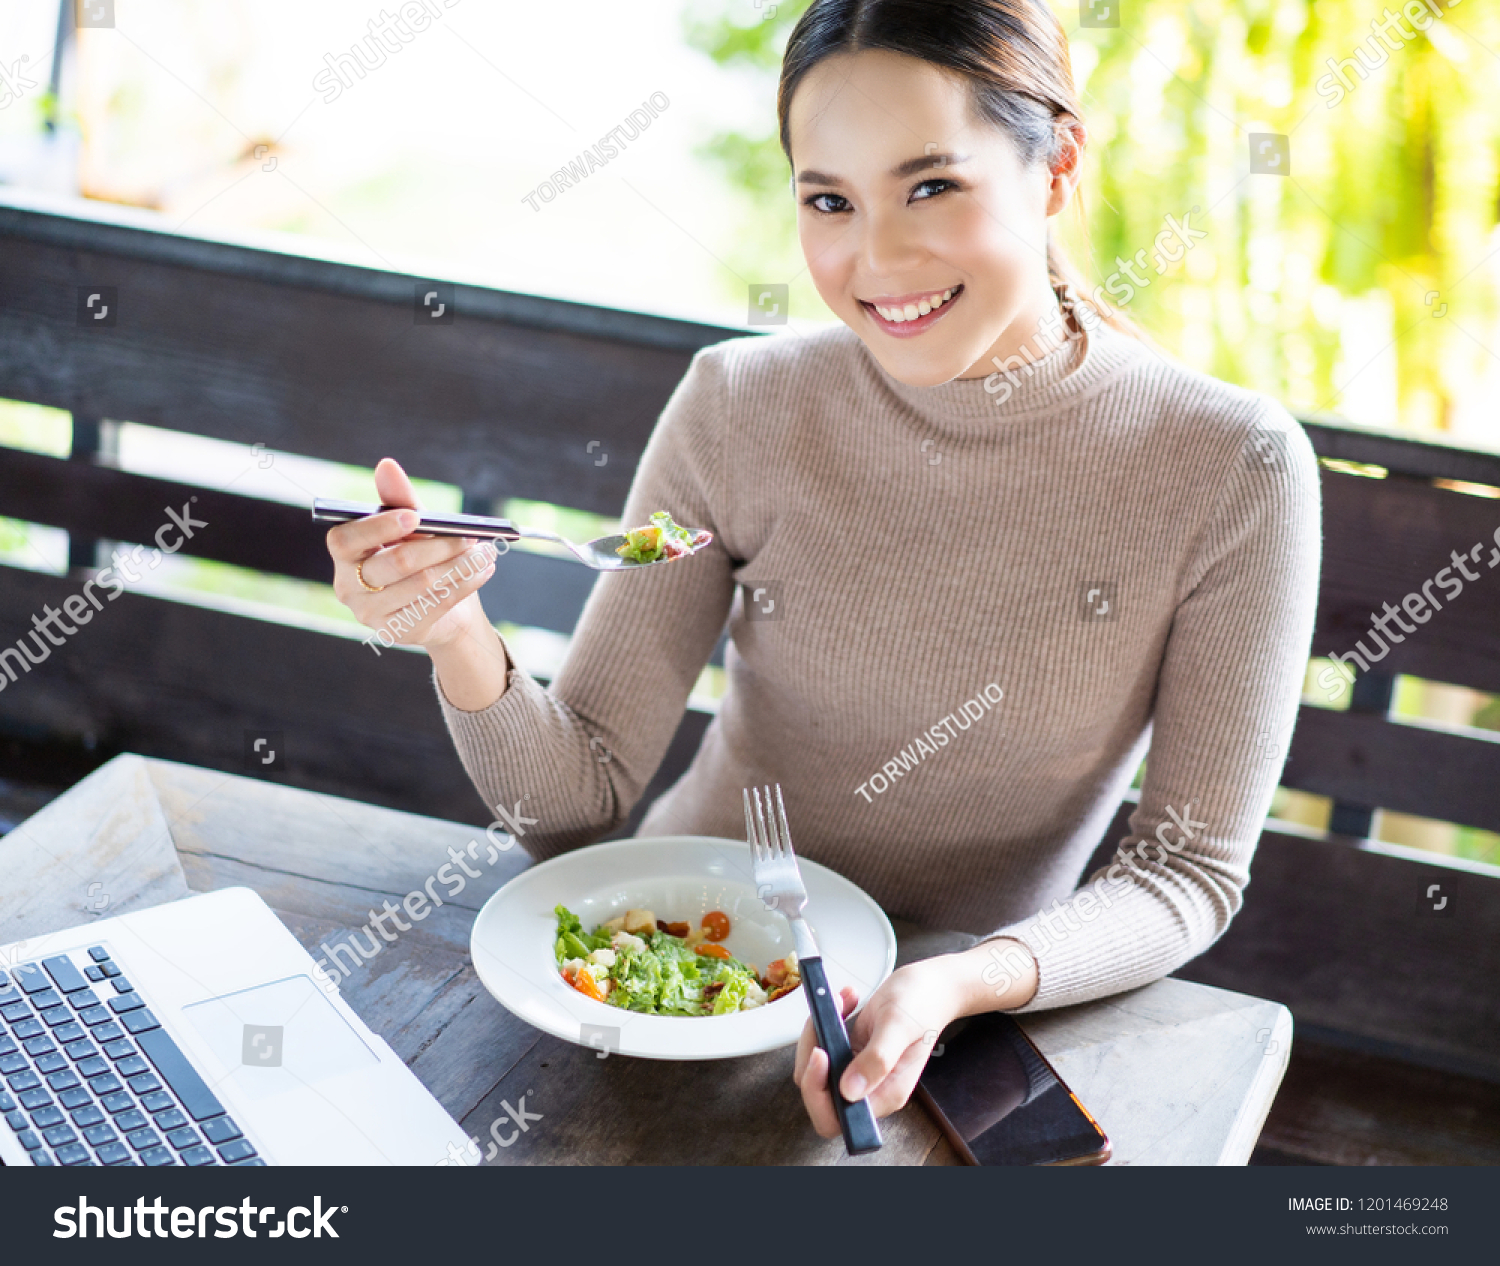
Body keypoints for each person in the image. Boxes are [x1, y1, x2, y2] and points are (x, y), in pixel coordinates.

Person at [326, 0, 1320, 1144]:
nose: (876, 260)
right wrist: (458, 638)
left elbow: (1186, 871)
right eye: (830, 202)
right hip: (670, 976)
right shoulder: (740, 406)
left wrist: (962, 983)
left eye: (932, 186)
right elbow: (578, 809)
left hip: (953, 1024)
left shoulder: (1230, 466)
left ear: (1055, 168)